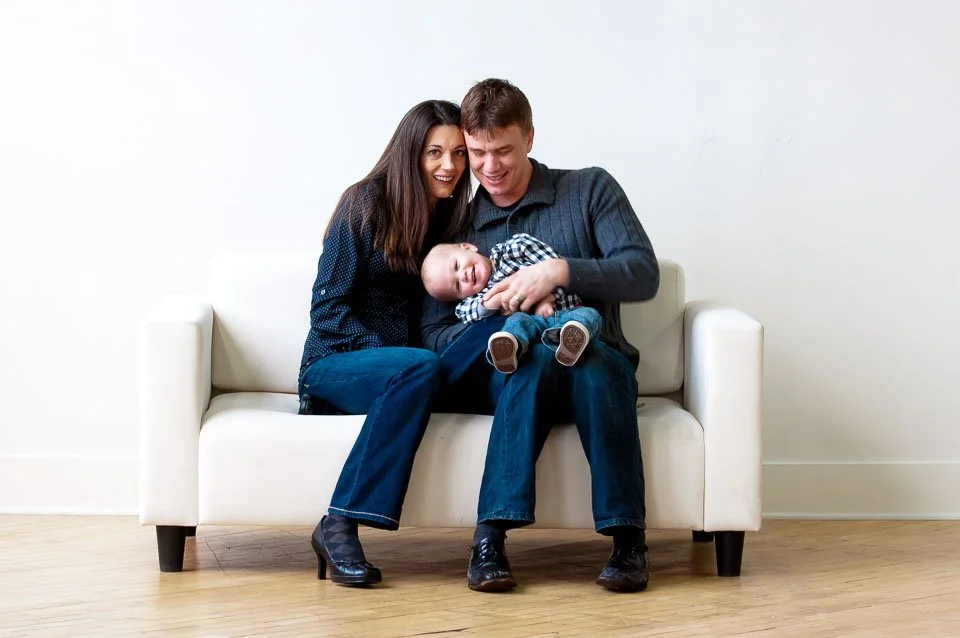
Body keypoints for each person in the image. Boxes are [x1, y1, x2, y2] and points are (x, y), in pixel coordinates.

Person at [421, 79, 660, 593]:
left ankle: (627, 541)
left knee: (592, 365)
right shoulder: (458, 224)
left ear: (529, 137)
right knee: (526, 364)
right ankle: (489, 539)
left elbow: (643, 272)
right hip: (509, 367)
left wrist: (559, 272)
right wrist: (491, 313)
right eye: (478, 153)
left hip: (592, 356)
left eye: (503, 150)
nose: (489, 168)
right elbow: (435, 334)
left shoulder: (589, 189)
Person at [298, 99, 471, 587]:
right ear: (410, 153)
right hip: (336, 365)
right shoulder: (365, 202)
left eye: (459, 153)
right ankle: (339, 523)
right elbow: (326, 309)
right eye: (435, 152)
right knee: (418, 367)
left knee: (447, 367)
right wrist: (389, 354)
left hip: (410, 374)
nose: (449, 166)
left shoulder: (449, 223)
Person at [420, 233, 603, 373]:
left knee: (590, 315)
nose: (464, 276)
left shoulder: (514, 248)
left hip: (568, 311)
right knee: (515, 324)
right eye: (458, 286)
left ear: (468, 247)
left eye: (457, 266)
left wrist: (545, 296)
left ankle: (568, 340)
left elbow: (552, 262)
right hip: (533, 326)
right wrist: (495, 301)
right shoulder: (478, 298)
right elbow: (467, 313)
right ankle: (509, 350)